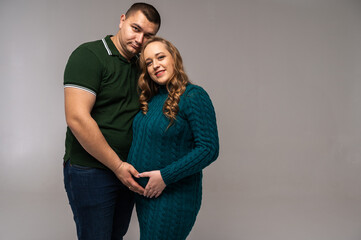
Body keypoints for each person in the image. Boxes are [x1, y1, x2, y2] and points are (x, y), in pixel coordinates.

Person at [62, 3, 160, 240]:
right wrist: (117, 166)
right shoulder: (89, 55)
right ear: (122, 20)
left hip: (129, 170)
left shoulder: (142, 67)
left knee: (116, 235)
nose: (139, 39)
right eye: (135, 28)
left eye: (148, 35)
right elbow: (77, 118)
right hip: (91, 170)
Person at [127, 37, 219, 240]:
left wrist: (165, 177)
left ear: (174, 58)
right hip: (146, 196)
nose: (155, 65)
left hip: (173, 195)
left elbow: (209, 148)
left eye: (160, 57)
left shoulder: (193, 96)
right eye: (149, 62)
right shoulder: (150, 99)